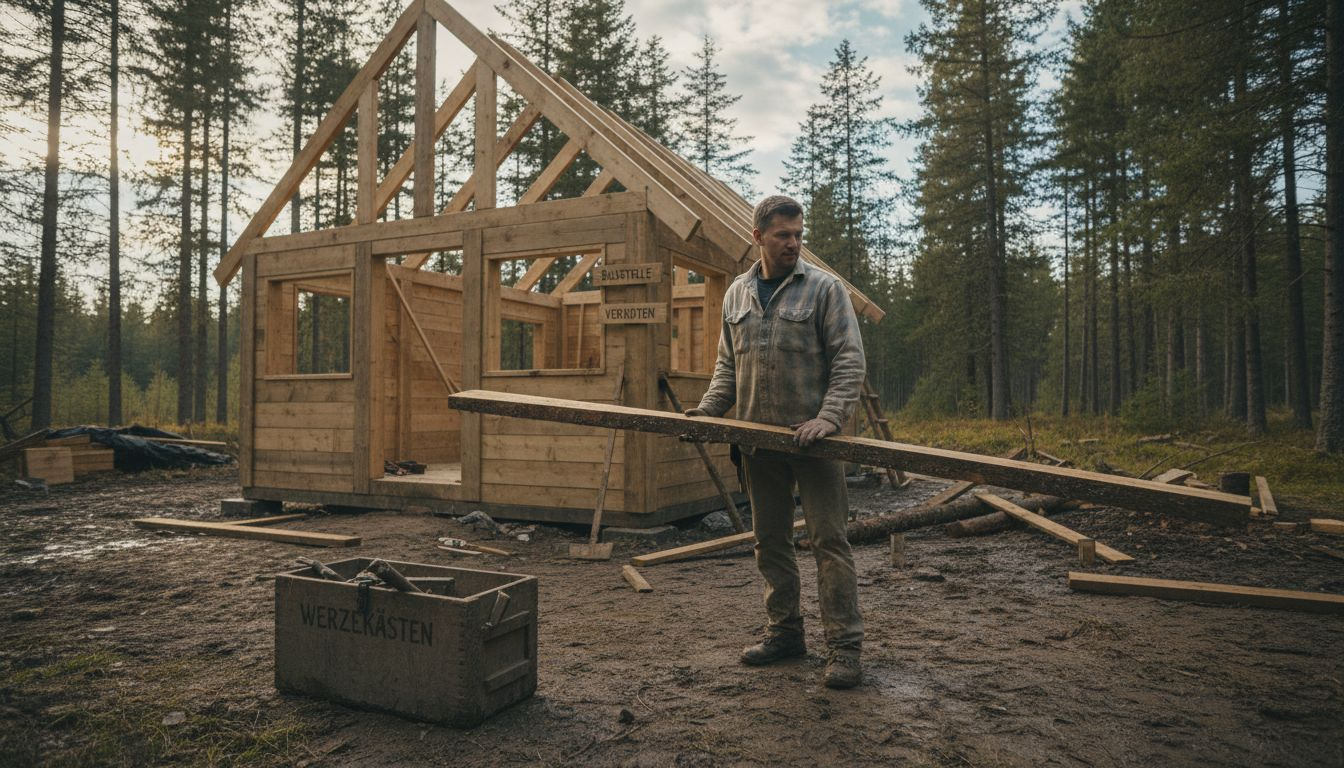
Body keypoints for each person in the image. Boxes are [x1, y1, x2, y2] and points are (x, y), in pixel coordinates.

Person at [686, 195, 866, 689]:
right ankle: (785, 633)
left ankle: (845, 648)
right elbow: (728, 369)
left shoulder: (824, 289)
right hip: (758, 445)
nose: (794, 243)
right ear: (757, 237)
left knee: (830, 541)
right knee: (770, 542)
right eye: (784, 235)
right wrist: (706, 413)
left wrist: (828, 419)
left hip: (815, 445)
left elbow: (849, 361)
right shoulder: (737, 295)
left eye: (798, 234)